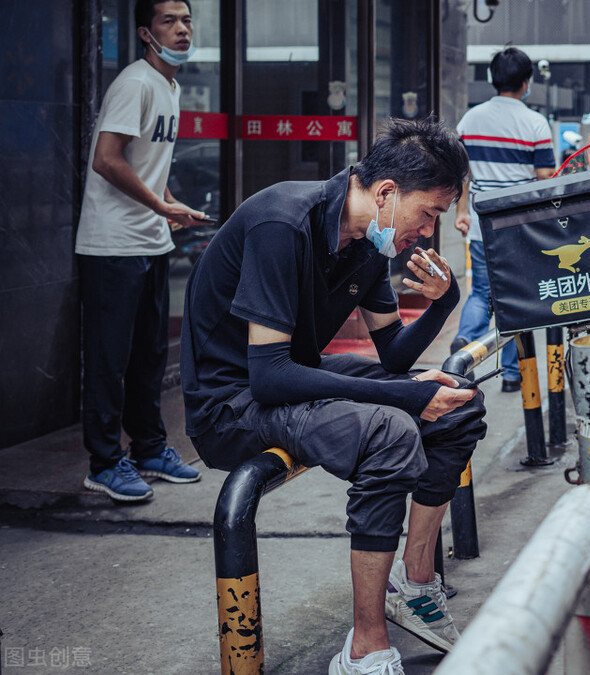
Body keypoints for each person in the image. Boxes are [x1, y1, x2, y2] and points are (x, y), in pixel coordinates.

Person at [180, 117, 485, 674]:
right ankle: (365, 646)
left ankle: (412, 585)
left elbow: (391, 355)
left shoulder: (368, 244)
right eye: (429, 214)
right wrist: (400, 400)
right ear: (388, 193)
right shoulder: (281, 224)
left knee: (458, 399)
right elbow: (269, 375)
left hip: (288, 378)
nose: (428, 230)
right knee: (391, 430)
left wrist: (445, 301)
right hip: (230, 404)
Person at [76, 0, 206, 502]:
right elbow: (106, 160)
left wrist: (172, 206)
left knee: (149, 356)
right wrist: (159, 204)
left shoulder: (168, 87)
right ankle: (105, 463)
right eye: (168, 21)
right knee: (110, 358)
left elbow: (147, 168)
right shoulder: (134, 83)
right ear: (145, 32)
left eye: (186, 20)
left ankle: (150, 449)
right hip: (112, 244)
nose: (180, 29)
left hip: (150, 240)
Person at [453, 47, 556, 392]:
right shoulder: (535, 123)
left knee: (482, 293)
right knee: (516, 298)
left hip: (484, 224)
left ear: (491, 79)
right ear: (526, 84)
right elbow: (545, 178)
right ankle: (513, 375)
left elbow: (461, 171)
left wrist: (462, 211)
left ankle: (466, 341)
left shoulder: (470, 119)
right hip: (520, 228)